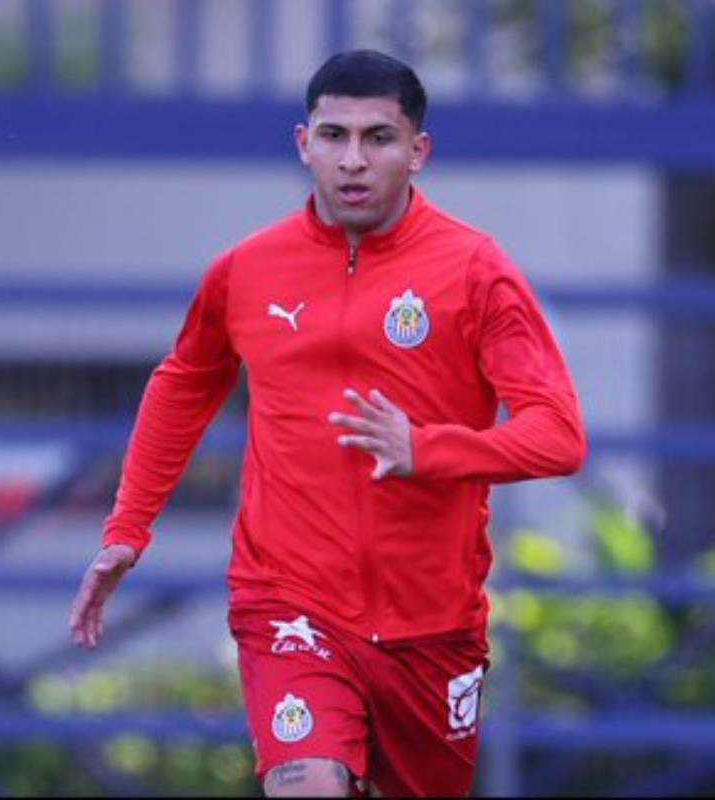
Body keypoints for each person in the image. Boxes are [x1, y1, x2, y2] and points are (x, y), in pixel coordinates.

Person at [67, 49, 586, 797]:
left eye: (378, 138)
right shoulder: (246, 270)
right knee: (307, 785)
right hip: (290, 603)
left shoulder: (474, 271)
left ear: (418, 152)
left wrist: (428, 448)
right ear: (302, 143)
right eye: (334, 136)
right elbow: (182, 385)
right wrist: (127, 528)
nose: (353, 160)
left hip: (432, 625)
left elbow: (559, 434)